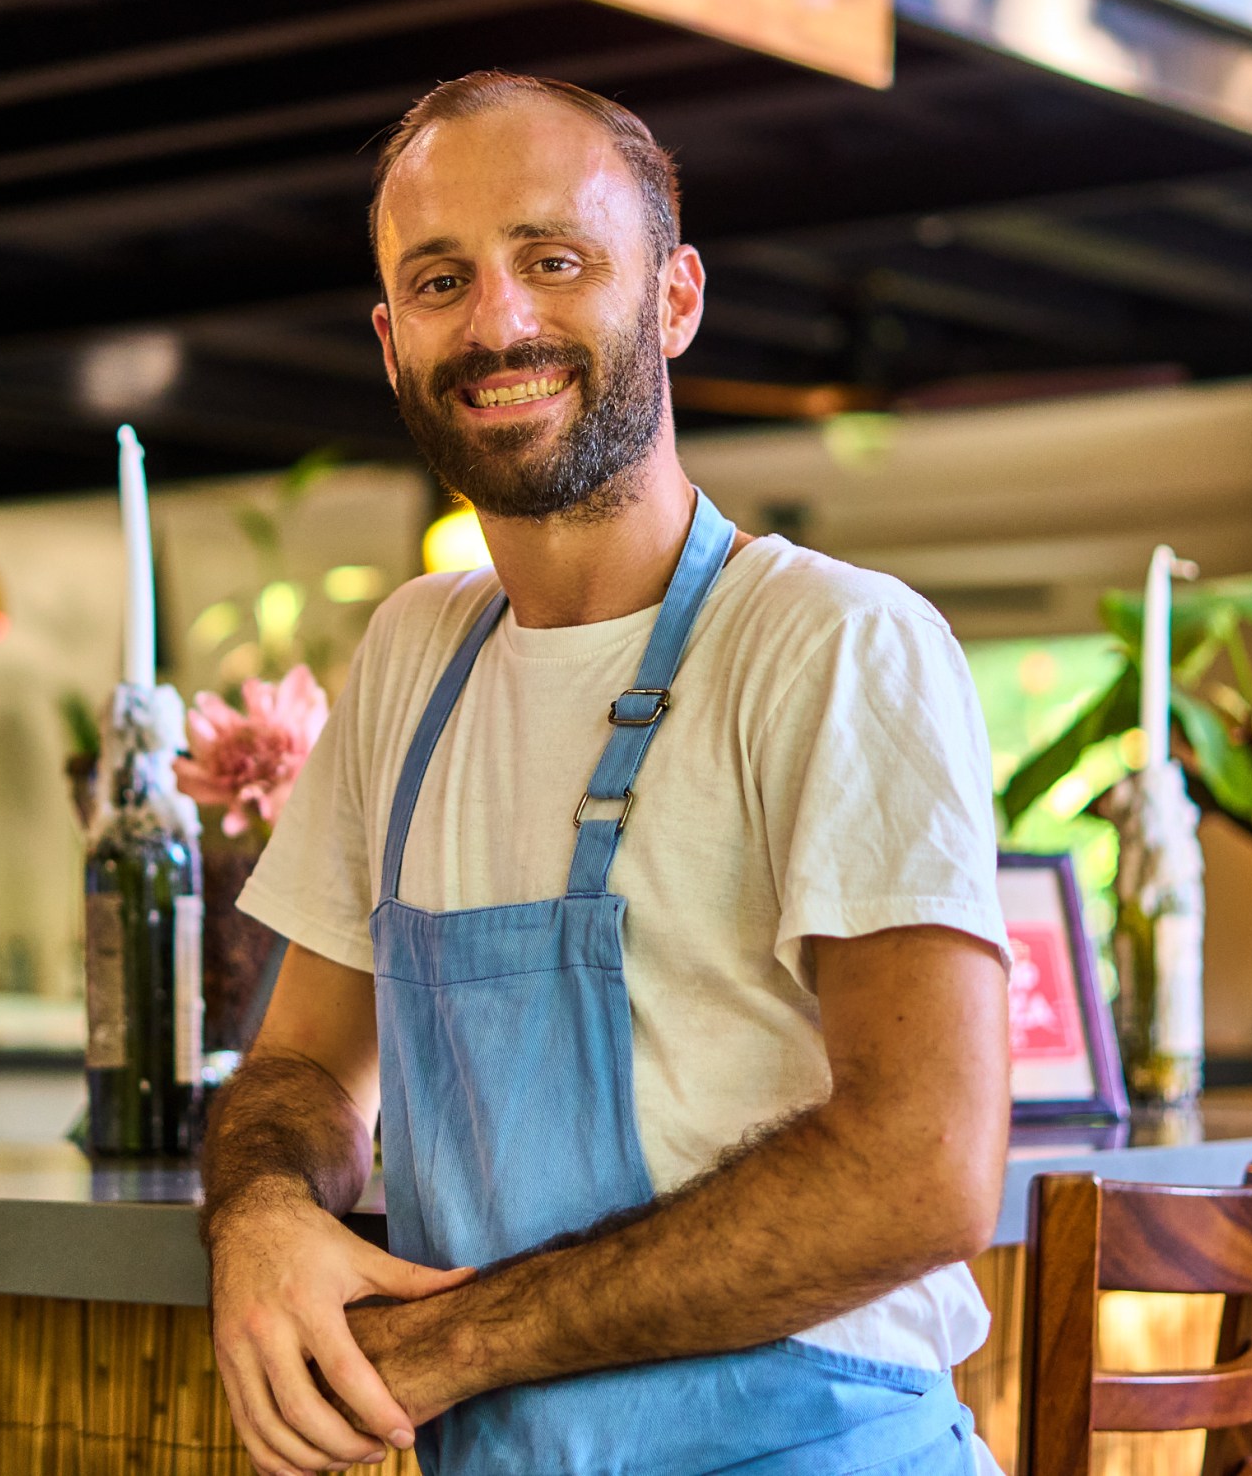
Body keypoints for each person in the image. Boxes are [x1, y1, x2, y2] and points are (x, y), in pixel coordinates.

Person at [200, 71, 1012, 1476]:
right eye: (443, 280)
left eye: (556, 261)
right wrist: (266, 1211)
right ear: (392, 343)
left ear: (676, 298)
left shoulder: (832, 642)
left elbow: (922, 1169)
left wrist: (459, 1344)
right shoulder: (412, 658)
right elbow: (302, 1065)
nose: (500, 321)